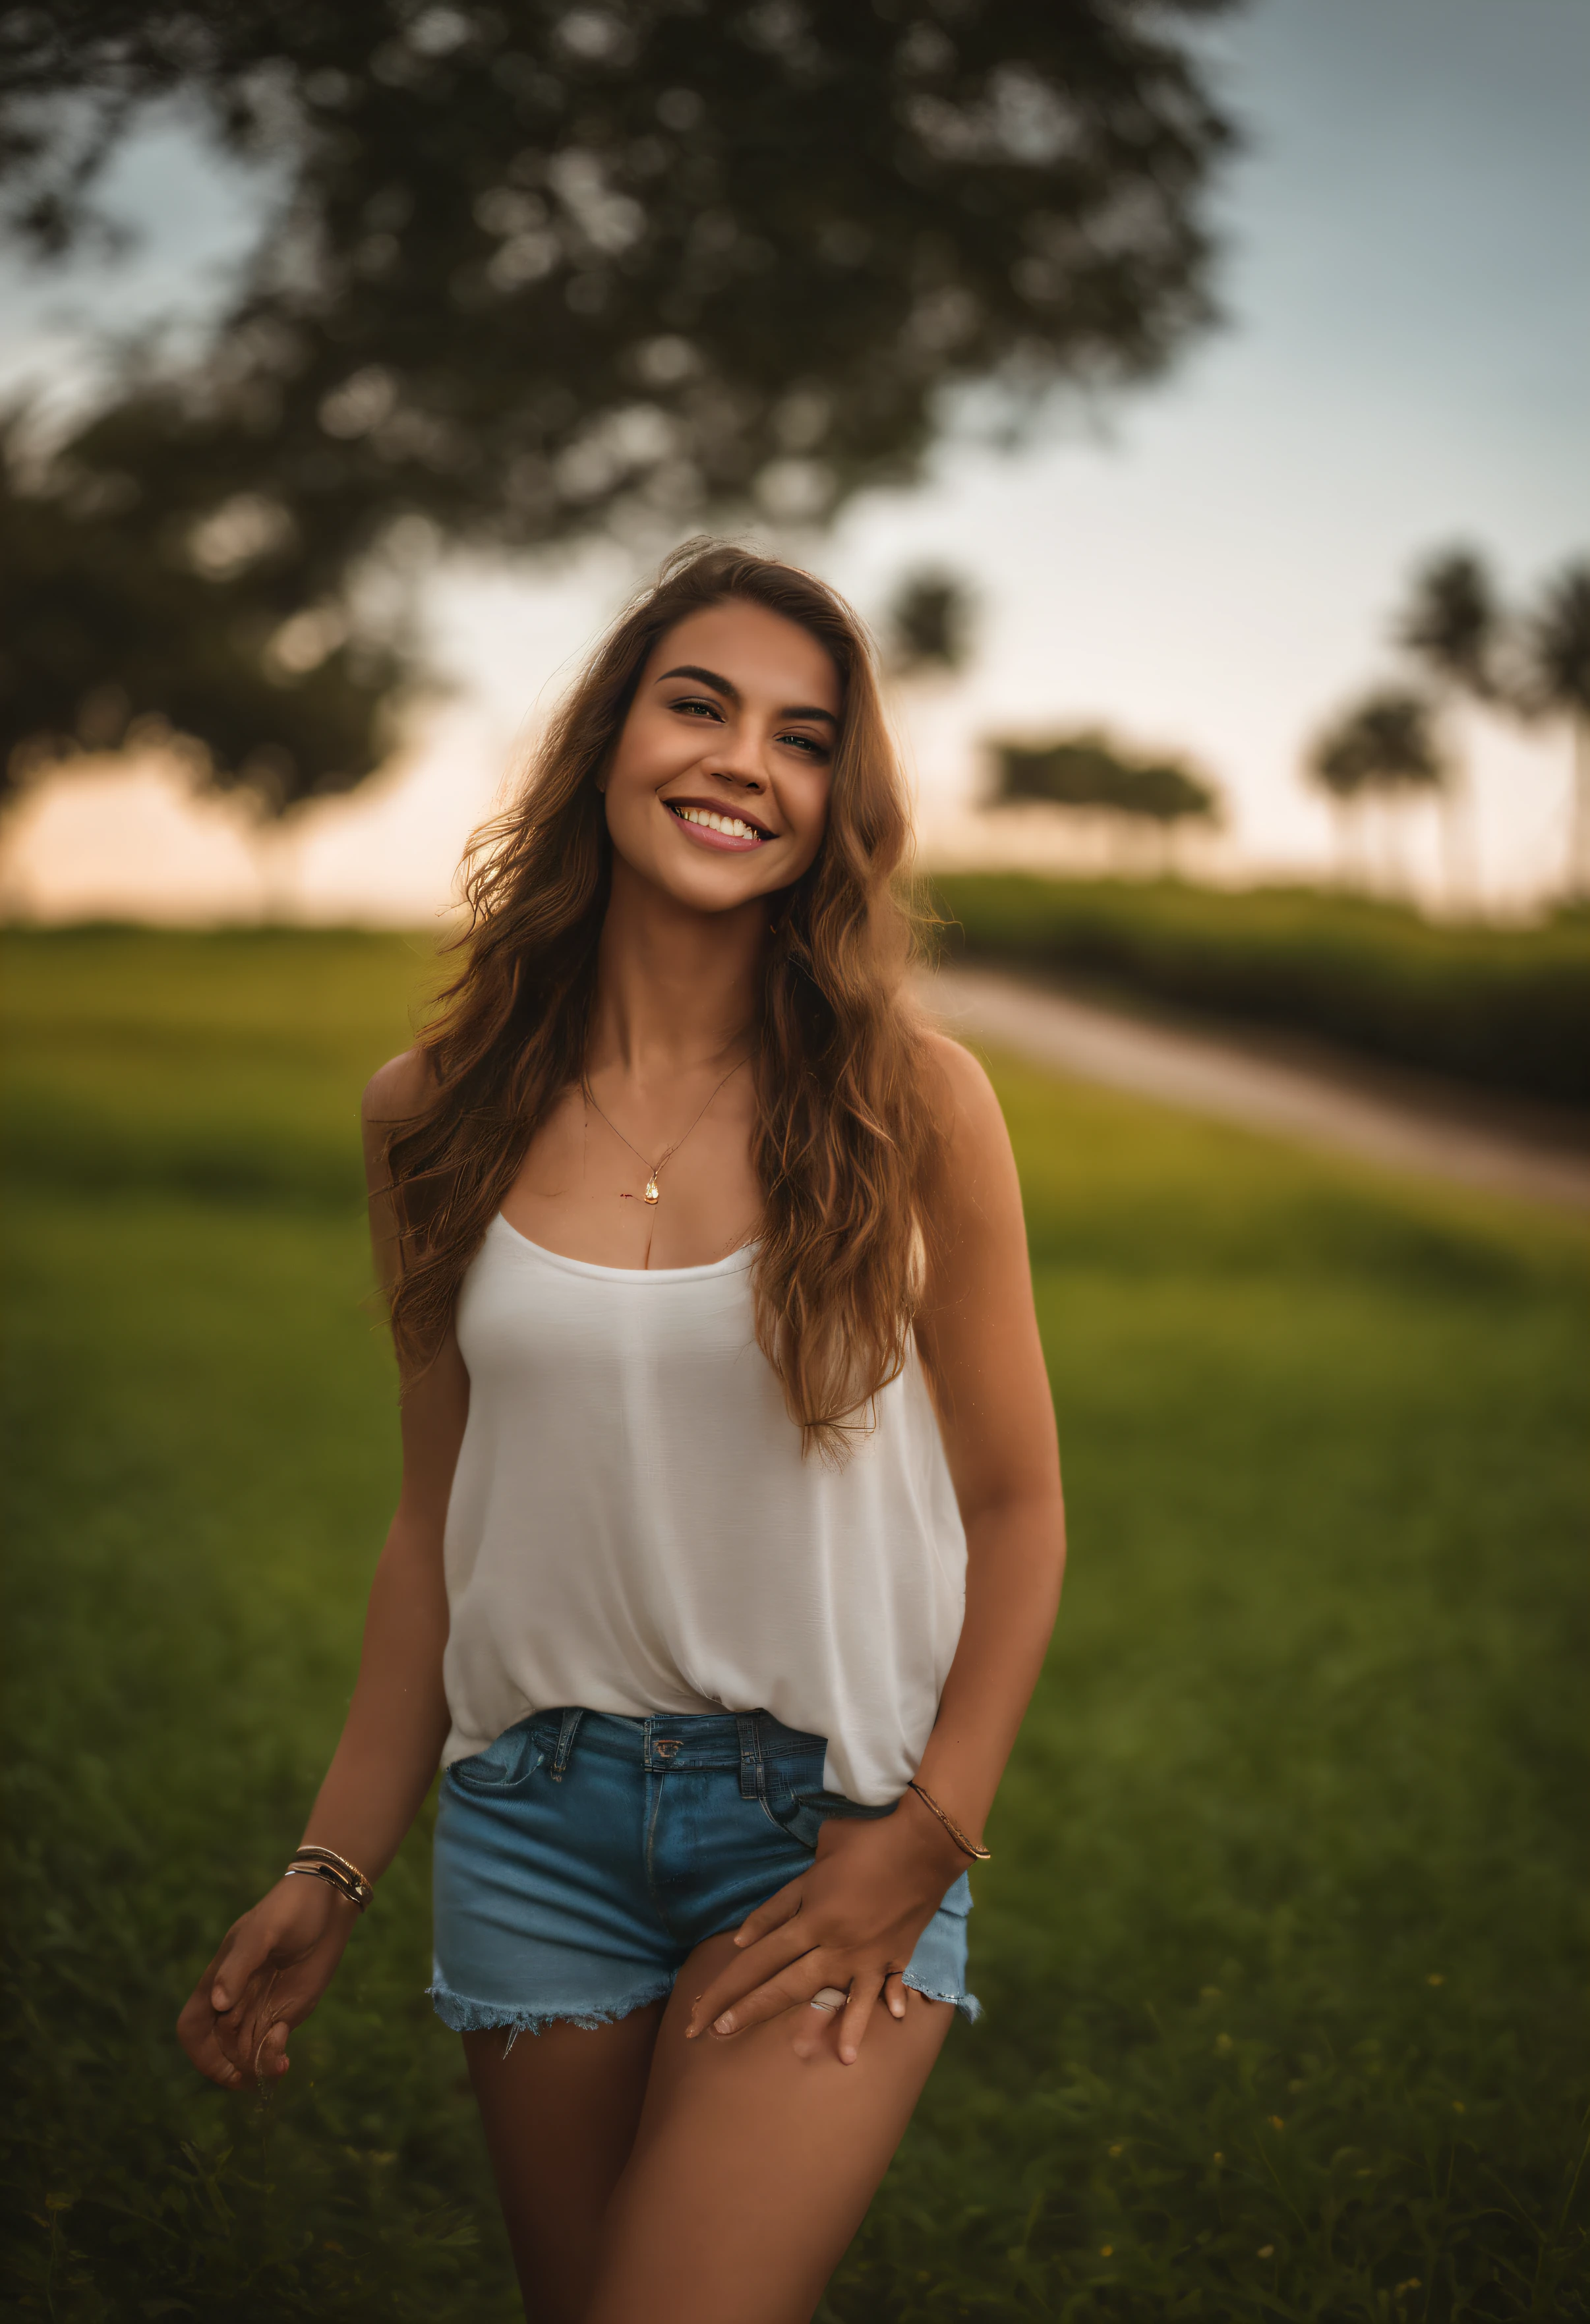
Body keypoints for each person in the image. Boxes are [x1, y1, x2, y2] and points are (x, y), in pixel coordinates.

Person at [177, 540, 1065, 2324]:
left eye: (803, 737)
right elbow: (437, 1531)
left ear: (834, 803)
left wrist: (926, 1832)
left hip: (819, 1823)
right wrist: (329, 1863)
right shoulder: (428, 1113)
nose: (745, 761)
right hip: (533, 1828)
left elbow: (1018, 1503)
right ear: (607, 739)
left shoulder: (913, 1104)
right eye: (700, 704)